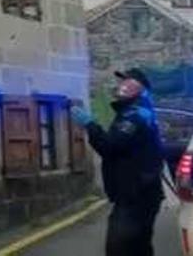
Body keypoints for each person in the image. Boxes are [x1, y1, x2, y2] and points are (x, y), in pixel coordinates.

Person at [71, 68, 165, 256]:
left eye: (128, 83)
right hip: (140, 192)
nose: (121, 86)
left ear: (140, 90)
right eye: (122, 82)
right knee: (139, 247)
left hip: (135, 195)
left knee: (120, 248)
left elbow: (110, 146)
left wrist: (90, 125)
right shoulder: (135, 111)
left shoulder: (135, 115)